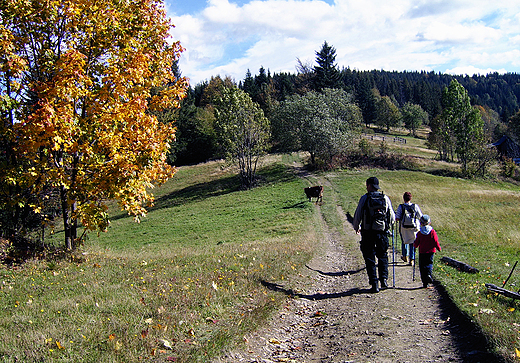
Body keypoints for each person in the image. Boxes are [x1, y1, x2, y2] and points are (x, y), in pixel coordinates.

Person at [353, 177, 395, 293]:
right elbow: (392, 217)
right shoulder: (385, 198)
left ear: (370, 185)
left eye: (367, 185)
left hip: (368, 233)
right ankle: (384, 280)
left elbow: (358, 214)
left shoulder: (365, 198)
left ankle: (374, 283)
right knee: (382, 256)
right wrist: (388, 226)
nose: (366, 187)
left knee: (370, 258)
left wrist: (356, 227)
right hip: (382, 233)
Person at [413, 215, 441, 288]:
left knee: (422, 266)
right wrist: (438, 248)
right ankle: (429, 274)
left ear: (421, 223)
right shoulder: (432, 231)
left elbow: (416, 242)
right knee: (429, 263)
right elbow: (435, 241)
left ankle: (425, 283)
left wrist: (415, 246)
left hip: (422, 251)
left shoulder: (420, 233)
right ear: (430, 222)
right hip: (431, 251)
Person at [395, 192, 422, 265]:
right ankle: (411, 259)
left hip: (403, 227)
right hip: (413, 227)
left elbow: (397, 218)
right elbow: (420, 216)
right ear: (411, 198)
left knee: (404, 241)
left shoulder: (401, 207)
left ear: (403, 198)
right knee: (412, 243)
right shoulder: (415, 206)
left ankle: (405, 256)